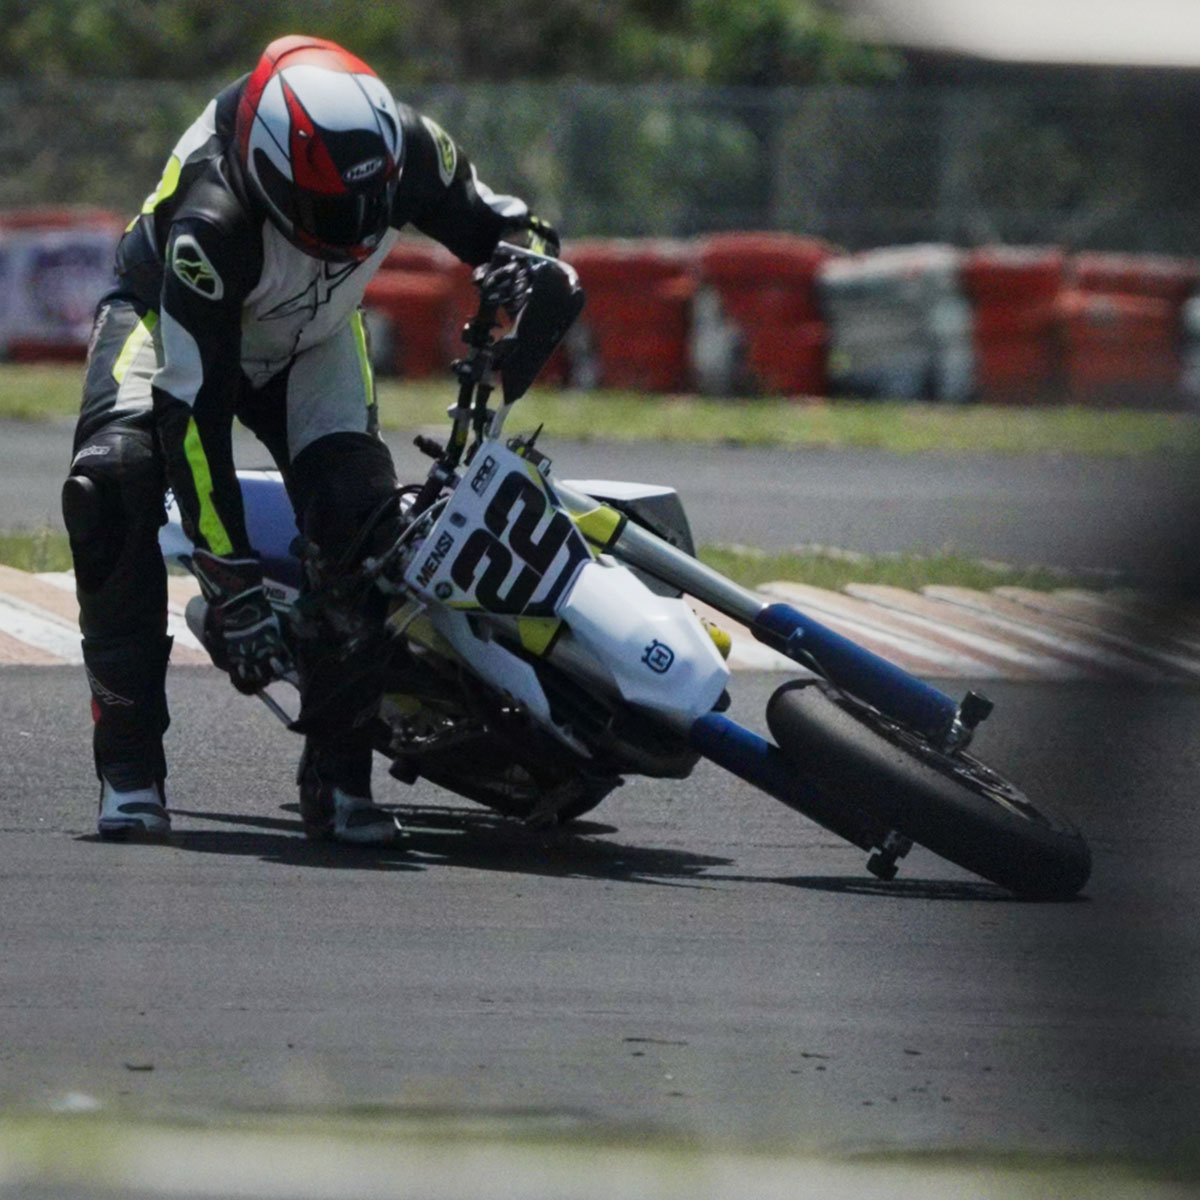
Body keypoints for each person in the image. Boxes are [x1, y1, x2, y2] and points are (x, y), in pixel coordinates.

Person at [62, 34, 559, 844]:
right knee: (111, 484)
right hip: (170, 327)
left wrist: (527, 272)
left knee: (363, 518)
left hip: (315, 338)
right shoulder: (208, 224)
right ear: (265, 173)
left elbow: (518, 231)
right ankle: (129, 772)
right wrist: (232, 584)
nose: (354, 230)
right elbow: (195, 416)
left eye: (374, 208)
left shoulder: (410, 149)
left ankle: (340, 779)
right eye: (328, 212)